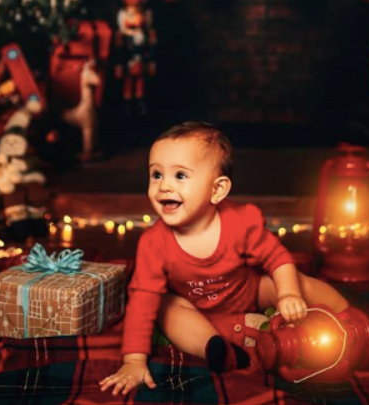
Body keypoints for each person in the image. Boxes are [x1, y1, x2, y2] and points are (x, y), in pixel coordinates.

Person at [100, 121, 351, 396]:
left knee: (293, 281)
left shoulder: (241, 222)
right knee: (164, 306)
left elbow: (277, 257)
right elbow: (142, 301)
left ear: (217, 190)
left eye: (180, 176)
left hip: (249, 292)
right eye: (156, 174)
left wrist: (288, 294)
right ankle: (217, 348)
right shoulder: (153, 243)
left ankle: (348, 317)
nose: (164, 187)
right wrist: (133, 361)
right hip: (196, 310)